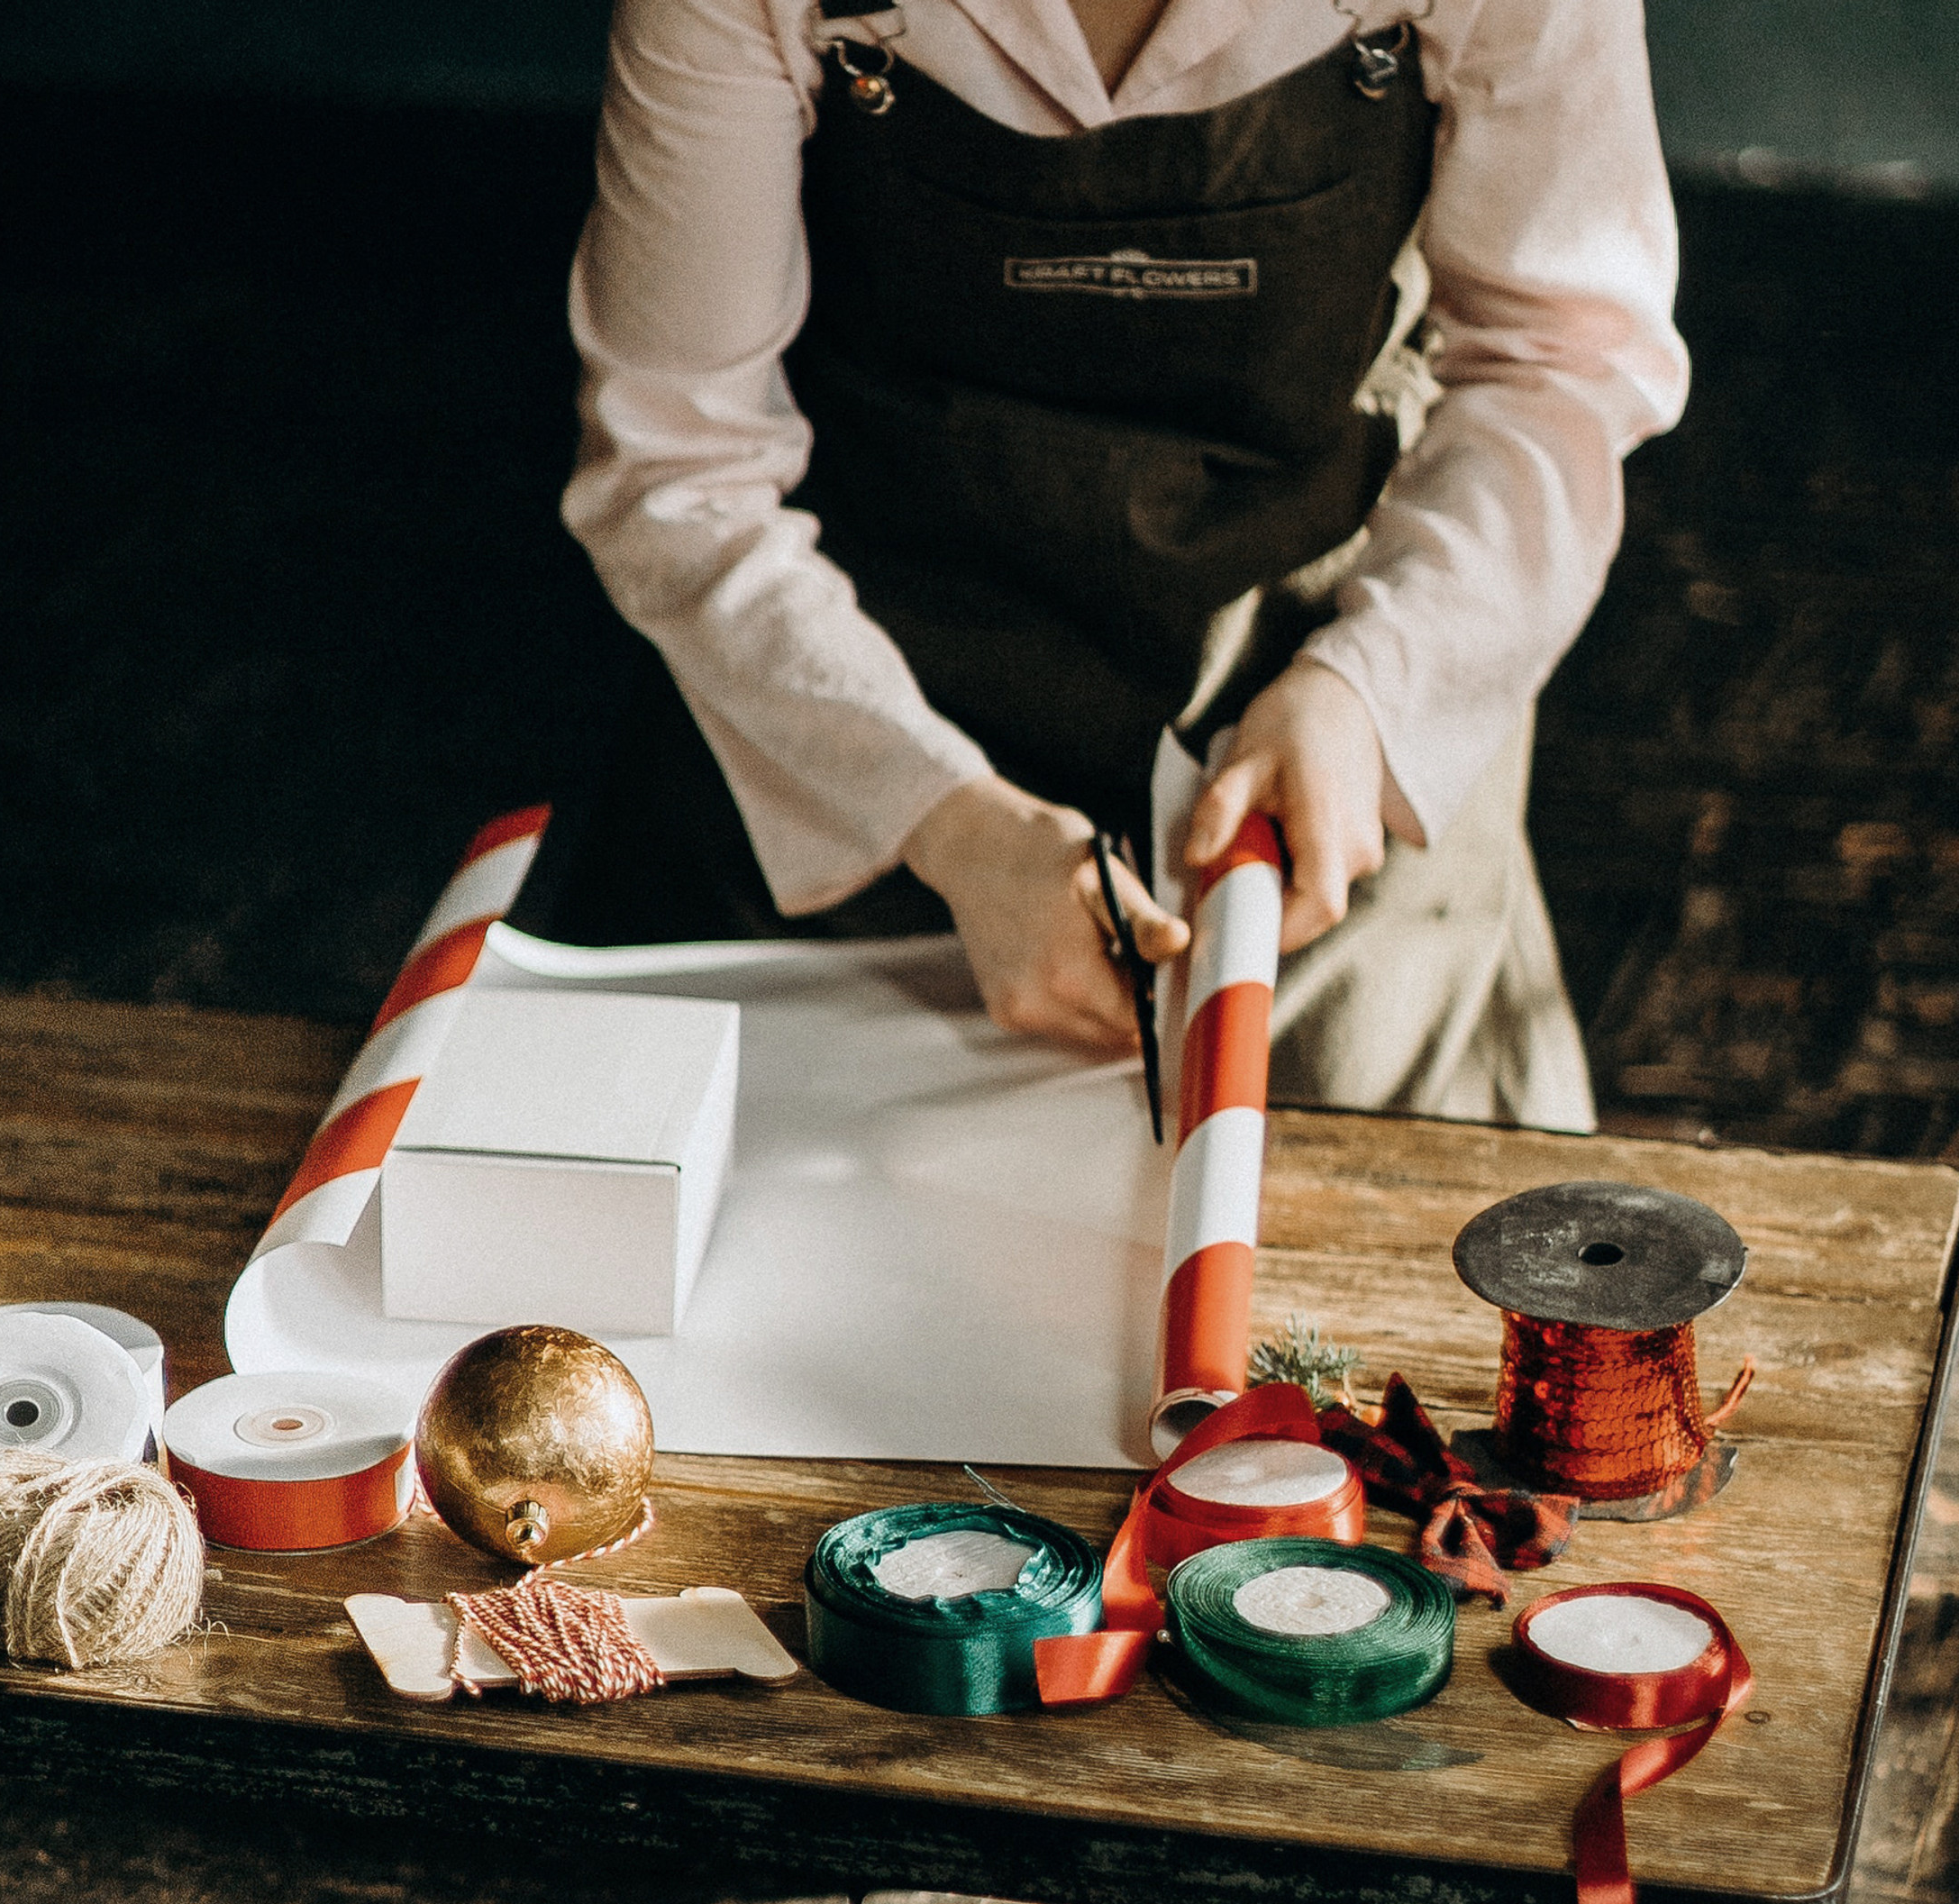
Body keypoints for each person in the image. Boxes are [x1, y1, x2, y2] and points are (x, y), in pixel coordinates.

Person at [514, 0, 1686, 1132]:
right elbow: (681, 468)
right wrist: (941, 816)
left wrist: (1376, 688)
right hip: (852, 689)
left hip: (1331, 678)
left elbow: (1558, 370)